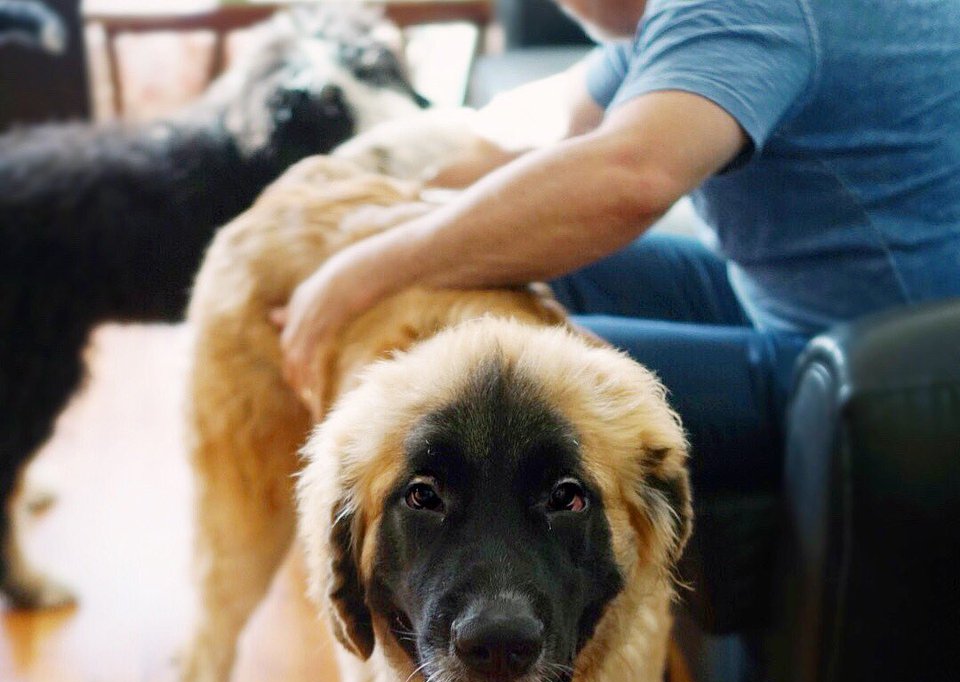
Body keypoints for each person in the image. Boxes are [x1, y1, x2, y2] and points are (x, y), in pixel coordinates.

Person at [276, 0, 960, 494]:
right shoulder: (685, 24)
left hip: (896, 376)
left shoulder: (744, 8)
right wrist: (364, 215)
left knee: (487, 366)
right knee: (474, 277)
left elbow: (628, 174)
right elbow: (539, 133)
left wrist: (366, 271)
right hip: (813, 310)